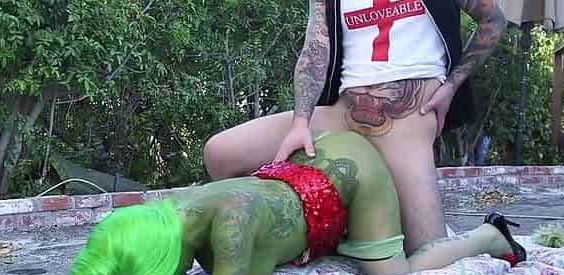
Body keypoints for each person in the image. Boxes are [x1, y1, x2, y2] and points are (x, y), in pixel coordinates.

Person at [34, 131, 524, 275]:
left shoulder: (230, 228)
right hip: (303, 166)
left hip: (354, 173)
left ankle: (489, 236)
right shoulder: (160, 222)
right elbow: (117, 266)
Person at [203, 0, 508, 255]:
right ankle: (301, 237)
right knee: (220, 154)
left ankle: (488, 236)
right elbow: (316, 47)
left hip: (408, 122)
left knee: (424, 253)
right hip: (344, 116)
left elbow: (493, 20)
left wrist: (451, 87)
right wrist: (300, 122)